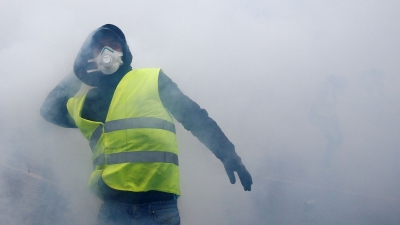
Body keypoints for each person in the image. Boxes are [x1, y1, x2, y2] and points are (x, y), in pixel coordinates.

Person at [40, 24, 252, 225]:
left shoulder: (152, 80)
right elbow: (49, 110)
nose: (106, 51)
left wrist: (227, 154)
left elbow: (194, 117)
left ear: (124, 50)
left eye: (113, 44)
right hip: (113, 210)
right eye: (99, 47)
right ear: (90, 58)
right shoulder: (88, 102)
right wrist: (77, 72)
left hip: (158, 209)